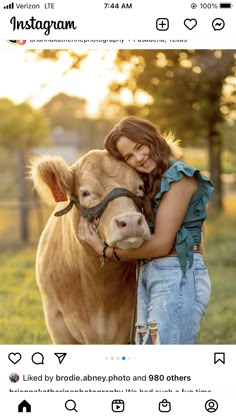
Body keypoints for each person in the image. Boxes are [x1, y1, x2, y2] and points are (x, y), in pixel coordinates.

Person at [78, 116, 214, 345]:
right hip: (150, 273)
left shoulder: (180, 177)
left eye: (139, 147)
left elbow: (161, 244)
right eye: (129, 156)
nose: (139, 158)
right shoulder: (152, 182)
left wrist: (105, 251)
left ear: (153, 138)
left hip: (175, 275)